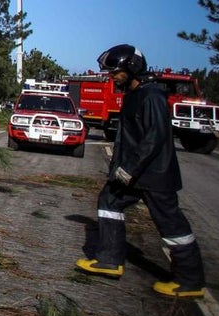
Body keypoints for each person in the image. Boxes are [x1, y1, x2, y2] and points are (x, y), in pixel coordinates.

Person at [75, 44, 206, 298]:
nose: (112, 76)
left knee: (171, 224)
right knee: (109, 201)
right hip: (134, 174)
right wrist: (118, 168)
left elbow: (154, 138)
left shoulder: (152, 96)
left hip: (154, 175)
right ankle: (109, 260)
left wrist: (129, 169)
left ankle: (190, 281)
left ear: (132, 68)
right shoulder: (135, 94)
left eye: (116, 71)